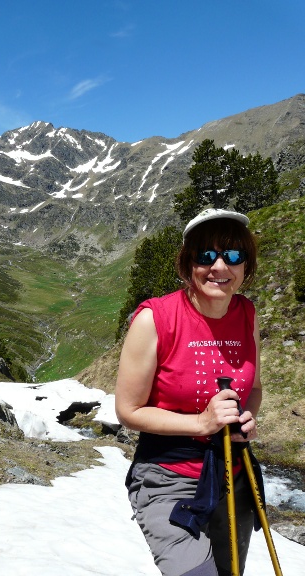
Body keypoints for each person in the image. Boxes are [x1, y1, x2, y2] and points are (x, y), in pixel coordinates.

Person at [115, 208, 263, 576]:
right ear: (187, 263)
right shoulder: (155, 318)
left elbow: (254, 387)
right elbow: (128, 410)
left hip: (232, 473)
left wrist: (245, 419)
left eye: (233, 256)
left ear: (245, 266)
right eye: (205, 255)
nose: (219, 266)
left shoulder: (248, 314)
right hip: (167, 475)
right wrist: (202, 423)